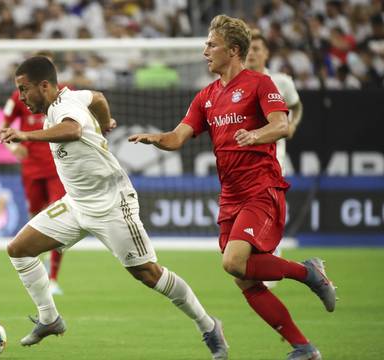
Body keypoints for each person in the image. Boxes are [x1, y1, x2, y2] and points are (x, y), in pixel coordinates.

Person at [128, 15, 336, 360]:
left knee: (233, 262)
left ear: (234, 50)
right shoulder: (206, 96)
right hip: (230, 196)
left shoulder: (260, 83)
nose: (204, 50)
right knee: (244, 279)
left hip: (261, 187)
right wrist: (157, 139)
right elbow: (178, 137)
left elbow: (282, 125)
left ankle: (309, 273)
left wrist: (254, 135)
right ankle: (304, 347)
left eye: (212, 44)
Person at [0, 56, 228, 360]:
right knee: (19, 249)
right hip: (77, 202)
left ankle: (209, 325)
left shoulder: (64, 109)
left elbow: (72, 131)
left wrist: (27, 135)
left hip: (111, 203)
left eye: (24, 89)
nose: (22, 97)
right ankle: (49, 318)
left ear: (44, 85)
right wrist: (105, 123)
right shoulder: (71, 96)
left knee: (148, 274)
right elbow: (99, 98)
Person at [0, 52, 67, 295]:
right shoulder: (20, 98)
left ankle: (54, 278)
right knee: (34, 219)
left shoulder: (64, 96)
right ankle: (35, 274)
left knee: (59, 219)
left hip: (57, 167)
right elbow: (2, 128)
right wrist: (13, 146)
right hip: (31, 168)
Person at [246, 29, 304, 289]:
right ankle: (262, 261)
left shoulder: (280, 81)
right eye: (248, 48)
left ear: (267, 53)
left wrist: (291, 125)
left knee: (270, 210)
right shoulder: (236, 82)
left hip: (272, 161)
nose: (252, 53)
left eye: (257, 48)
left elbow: (297, 105)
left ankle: (271, 262)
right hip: (243, 164)